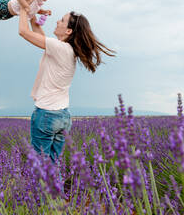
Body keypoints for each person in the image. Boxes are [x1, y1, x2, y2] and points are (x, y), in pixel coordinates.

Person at [18, 9, 116, 163]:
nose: (57, 21)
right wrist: (32, 17)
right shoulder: (66, 50)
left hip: (46, 115)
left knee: (41, 170)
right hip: (62, 117)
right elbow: (40, 38)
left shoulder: (60, 48)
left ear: (69, 30)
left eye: (62, 20)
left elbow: (23, 32)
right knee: (52, 166)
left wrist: (23, 8)